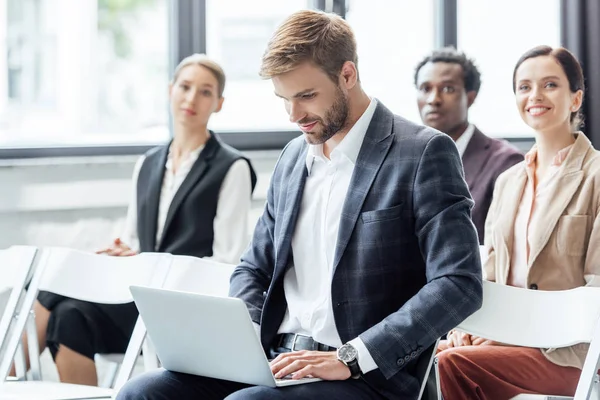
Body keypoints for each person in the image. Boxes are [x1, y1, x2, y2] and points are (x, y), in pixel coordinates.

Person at [117, 10, 482, 400]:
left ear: (347, 75)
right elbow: (254, 267)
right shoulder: (293, 158)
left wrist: (351, 357)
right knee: (142, 393)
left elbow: (458, 283)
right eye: (284, 99)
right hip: (278, 358)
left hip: (367, 376)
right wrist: (242, 342)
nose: (294, 116)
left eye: (306, 96)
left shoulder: (423, 152)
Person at [12, 54, 257, 386]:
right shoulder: (148, 163)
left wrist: (147, 262)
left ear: (219, 103)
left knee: (52, 291)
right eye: (184, 87)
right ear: (170, 90)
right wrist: (122, 253)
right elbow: (134, 241)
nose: (191, 99)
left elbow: (227, 260)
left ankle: (8, 373)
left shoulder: (232, 167)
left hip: (178, 306)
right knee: (67, 316)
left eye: (205, 92)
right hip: (136, 295)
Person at [437, 45, 600, 398]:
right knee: (428, 355)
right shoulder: (508, 181)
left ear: (576, 99)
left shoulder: (596, 175)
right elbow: (491, 278)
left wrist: (508, 330)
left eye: (550, 85)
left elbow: (597, 288)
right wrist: (470, 327)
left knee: (456, 364)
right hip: (507, 341)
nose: (535, 95)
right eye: (524, 86)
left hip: (573, 352)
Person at [415, 47, 523, 243]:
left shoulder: (506, 163)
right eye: (425, 89)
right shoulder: (408, 161)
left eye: (448, 89)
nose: (433, 100)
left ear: (470, 97)